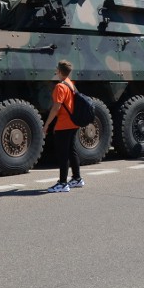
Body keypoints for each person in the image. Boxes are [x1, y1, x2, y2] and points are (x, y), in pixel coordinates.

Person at [42, 60, 84, 192]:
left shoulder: (60, 87)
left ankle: (62, 183)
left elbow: (56, 107)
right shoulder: (70, 84)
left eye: (57, 70)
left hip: (63, 125)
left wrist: (47, 124)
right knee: (71, 151)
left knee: (62, 154)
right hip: (73, 123)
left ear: (59, 71)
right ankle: (77, 179)